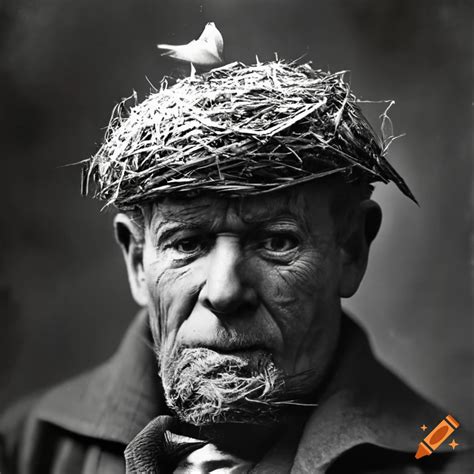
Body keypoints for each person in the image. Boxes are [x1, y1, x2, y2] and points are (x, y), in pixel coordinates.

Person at [0, 61, 469, 473]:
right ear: (137, 260)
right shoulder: (22, 450)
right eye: (187, 243)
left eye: (277, 241)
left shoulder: (443, 456)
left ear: (351, 250)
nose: (224, 292)